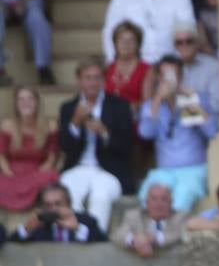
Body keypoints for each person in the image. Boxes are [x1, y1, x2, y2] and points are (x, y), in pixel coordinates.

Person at [58, 57, 134, 232]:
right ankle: (75, 236)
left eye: (97, 77)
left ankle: (93, 236)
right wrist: (75, 123)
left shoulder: (119, 105)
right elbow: (64, 146)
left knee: (100, 196)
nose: (92, 82)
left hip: (109, 170)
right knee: (69, 194)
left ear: (104, 80)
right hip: (77, 167)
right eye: (88, 77)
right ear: (79, 80)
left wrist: (104, 133)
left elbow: (127, 146)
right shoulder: (68, 107)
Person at [136, 53, 219, 213]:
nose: (169, 80)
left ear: (181, 76)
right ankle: (155, 235)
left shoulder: (195, 99)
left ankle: (169, 236)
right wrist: (158, 100)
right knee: (148, 197)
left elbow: (212, 132)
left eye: (173, 74)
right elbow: (145, 133)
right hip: (163, 171)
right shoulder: (152, 105)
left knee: (182, 196)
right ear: (159, 78)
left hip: (193, 169)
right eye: (165, 75)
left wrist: (191, 102)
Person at [0, 85, 59, 211]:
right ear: (16, 104)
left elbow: (52, 156)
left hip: (37, 170)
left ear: (37, 102)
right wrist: (7, 172)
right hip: (13, 170)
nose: (26, 103)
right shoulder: (7, 125)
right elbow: (1, 155)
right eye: (21, 99)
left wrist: (42, 170)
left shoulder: (50, 126)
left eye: (30, 98)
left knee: (50, 176)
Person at [10, 181, 107, 243]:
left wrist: (78, 229)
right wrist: (26, 229)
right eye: (48, 205)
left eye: (58, 204)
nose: (53, 209)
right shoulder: (39, 225)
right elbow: (10, 245)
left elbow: (104, 244)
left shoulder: (87, 221)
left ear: (69, 204)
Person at [113, 183, 186, 257]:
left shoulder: (180, 217)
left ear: (171, 203)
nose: (158, 204)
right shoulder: (134, 216)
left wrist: (155, 239)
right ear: (147, 202)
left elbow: (179, 234)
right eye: (154, 199)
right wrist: (135, 240)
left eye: (164, 199)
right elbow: (118, 234)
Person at [105, 21, 150, 112]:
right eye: (121, 39)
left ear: (138, 44)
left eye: (131, 40)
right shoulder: (106, 69)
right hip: (108, 122)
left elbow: (148, 103)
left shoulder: (147, 70)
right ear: (115, 43)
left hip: (134, 121)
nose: (126, 44)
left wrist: (123, 110)